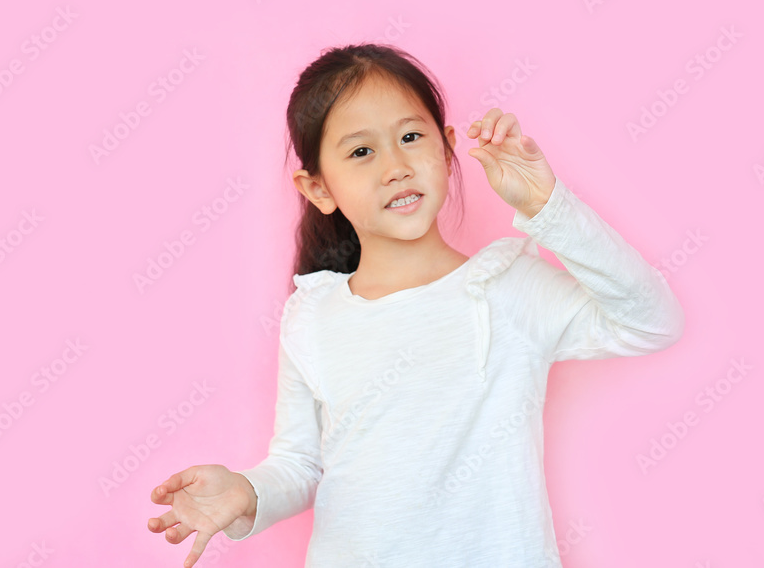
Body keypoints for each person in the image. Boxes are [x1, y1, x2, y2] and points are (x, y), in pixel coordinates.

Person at [148, 43, 685, 568]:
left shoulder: (507, 285)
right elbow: (301, 464)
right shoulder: (312, 314)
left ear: (448, 148)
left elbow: (653, 322)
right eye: (362, 151)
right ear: (317, 188)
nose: (397, 166)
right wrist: (245, 491)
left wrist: (549, 206)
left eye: (410, 136)